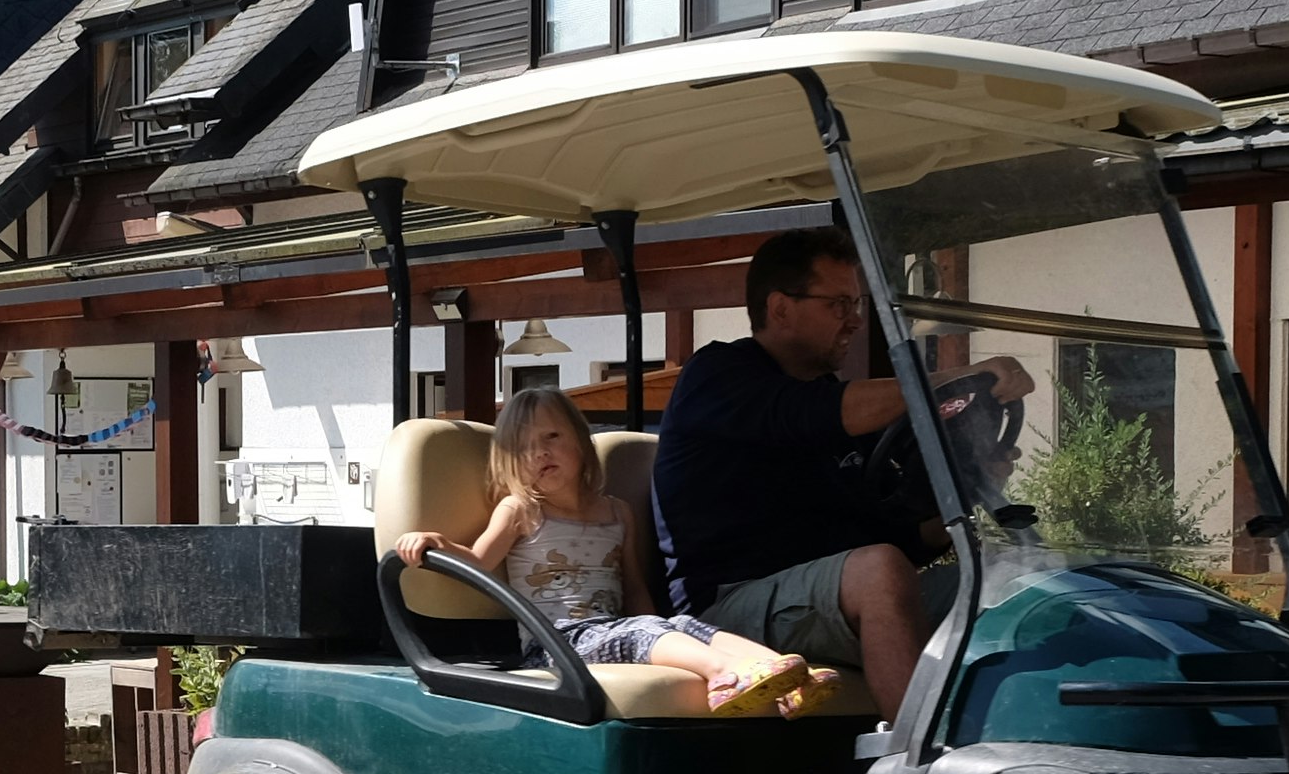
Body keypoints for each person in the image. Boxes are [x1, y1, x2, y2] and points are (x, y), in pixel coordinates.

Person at [648, 228, 1031, 719]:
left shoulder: (839, 405)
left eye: (857, 305)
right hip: (726, 608)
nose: (853, 320)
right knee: (878, 570)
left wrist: (978, 483)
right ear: (781, 308)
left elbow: (903, 536)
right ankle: (915, 763)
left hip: (829, 597)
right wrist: (954, 377)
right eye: (839, 305)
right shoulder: (720, 375)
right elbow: (809, 414)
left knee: (1013, 579)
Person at [395, 385, 821, 712]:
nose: (540, 452)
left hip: (609, 629)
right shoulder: (520, 509)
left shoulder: (617, 513)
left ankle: (785, 672)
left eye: (552, 436)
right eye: (524, 447)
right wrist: (438, 544)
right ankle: (725, 675)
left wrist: (662, 625)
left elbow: (633, 587)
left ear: (581, 442)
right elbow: (480, 562)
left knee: (684, 625)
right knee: (642, 632)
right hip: (554, 643)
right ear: (511, 461)